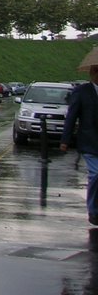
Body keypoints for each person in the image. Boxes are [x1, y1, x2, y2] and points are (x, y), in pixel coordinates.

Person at [61, 64, 98, 224]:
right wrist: (65, 139)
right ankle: (93, 210)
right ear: (93, 73)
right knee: (96, 174)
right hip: (90, 142)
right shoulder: (82, 91)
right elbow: (71, 116)